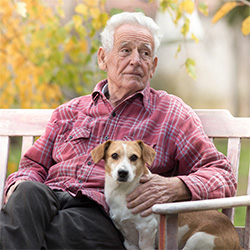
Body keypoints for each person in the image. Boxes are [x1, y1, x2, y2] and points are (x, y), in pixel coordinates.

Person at [0, 12, 236, 249]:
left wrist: (177, 187)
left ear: (153, 66)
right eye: (125, 50)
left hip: (100, 212)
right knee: (28, 192)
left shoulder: (171, 114)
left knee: (45, 231)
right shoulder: (69, 111)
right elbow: (33, 166)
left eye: (145, 53)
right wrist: (18, 189)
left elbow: (221, 175)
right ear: (103, 59)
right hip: (48, 199)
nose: (135, 60)